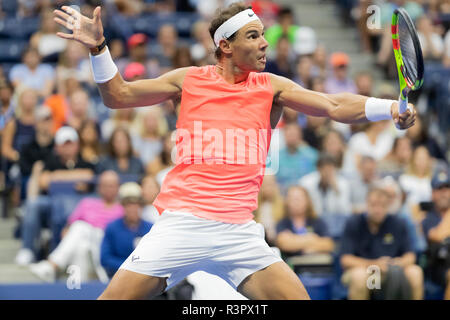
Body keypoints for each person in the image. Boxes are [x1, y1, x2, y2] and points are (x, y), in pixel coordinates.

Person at [53, 2, 416, 300]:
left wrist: (389, 108)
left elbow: (334, 105)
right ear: (225, 45)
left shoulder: (270, 86)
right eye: (253, 36)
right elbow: (117, 95)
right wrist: (99, 48)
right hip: (182, 224)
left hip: (238, 232)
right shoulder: (188, 80)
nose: (265, 44)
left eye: (263, 36)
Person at [15, 126, 95, 265]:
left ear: (77, 145)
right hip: (52, 203)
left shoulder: (85, 161)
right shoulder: (50, 161)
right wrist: (75, 177)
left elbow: (89, 176)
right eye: (64, 144)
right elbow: (44, 181)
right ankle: (27, 250)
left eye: (71, 144)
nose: (68, 148)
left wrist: (57, 177)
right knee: (33, 204)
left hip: (78, 205)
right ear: (57, 147)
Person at [29, 170, 124, 282]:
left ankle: (52, 265)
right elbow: (67, 230)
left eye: (111, 185)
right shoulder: (87, 203)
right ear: (99, 187)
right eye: (105, 185)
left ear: (118, 187)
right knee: (81, 246)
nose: (108, 189)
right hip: (85, 243)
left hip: (103, 244)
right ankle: (78, 286)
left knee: (80, 227)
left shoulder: (122, 209)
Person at [340, 187, 424, 300]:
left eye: (382, 206)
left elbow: (410, 256)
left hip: (393, 270)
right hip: (367, 270)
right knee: (359, 276)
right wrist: (374, 263)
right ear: (366, 204)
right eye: (373, 205)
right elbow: (346, 259)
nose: (377, 210)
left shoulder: (398, 223)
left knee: (415, 272)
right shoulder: (354, 223)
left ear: (388, 206)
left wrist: (395, 263)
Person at [101, 182, 153, 278]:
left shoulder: (150, 228)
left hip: (146, 276)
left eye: (136, 204)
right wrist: (127, 267)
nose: (132, 208)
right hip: (118, 275)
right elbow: (105, 258)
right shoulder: (112, 228)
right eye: (128, 205)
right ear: (123, 207)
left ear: (141, 207)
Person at [276, 185, 334, 258]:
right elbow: (284, 244)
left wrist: (293, 239)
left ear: (307, 201)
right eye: (293, 199)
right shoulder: (283, 223)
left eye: (299, 199)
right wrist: (311, 238)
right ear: (287, 202)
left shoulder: (317, 221)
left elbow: (329, 244)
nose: (296, 202)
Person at [421, 170, 450, 300]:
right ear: (433, 194)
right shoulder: (428, 218)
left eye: (447, 189)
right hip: (439, 266)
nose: (444, 193)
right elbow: (436, 236)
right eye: (440, 189)